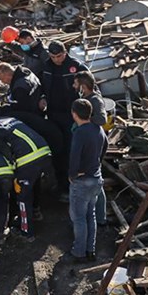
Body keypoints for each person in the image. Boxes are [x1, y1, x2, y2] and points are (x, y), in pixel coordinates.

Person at [0, 110, 54, 242]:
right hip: (44, 151)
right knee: (35, 184)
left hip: (28, 159)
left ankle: (26, 232)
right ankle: (35, 212)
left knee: (22, 195)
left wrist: (15, 171)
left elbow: (6, 152)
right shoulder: (7, 118)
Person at [42, 41, 88, 199]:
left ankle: (71, 186)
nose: (56, 60)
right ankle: (60, 183)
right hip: (53, 114)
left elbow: (90, 85)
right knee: (57, 150)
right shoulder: (46, 66)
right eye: (53, 56)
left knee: (71, 150)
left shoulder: (76, 66)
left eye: (59, 56)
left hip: (71, 115)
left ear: (65, 52)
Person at [67, 99, 108, 262]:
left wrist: (72, 175)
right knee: (90, 215)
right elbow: (105, 147)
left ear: (74, 114)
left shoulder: (80, 132)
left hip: (82, 181)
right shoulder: (98, 129)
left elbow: (74, 157)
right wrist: (95, 164)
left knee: (79, 218)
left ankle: (79, 252)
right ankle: (90, 250)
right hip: (96, 179)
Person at [73, 71, 108, 225]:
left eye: (76, 84)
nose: (74, 86)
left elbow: (101, 119)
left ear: (84, 86)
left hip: (92, 146)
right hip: (87, 143)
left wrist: (85, 120)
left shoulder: (95, 100)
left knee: (95, 185)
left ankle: (98, 219)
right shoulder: (85, 98)